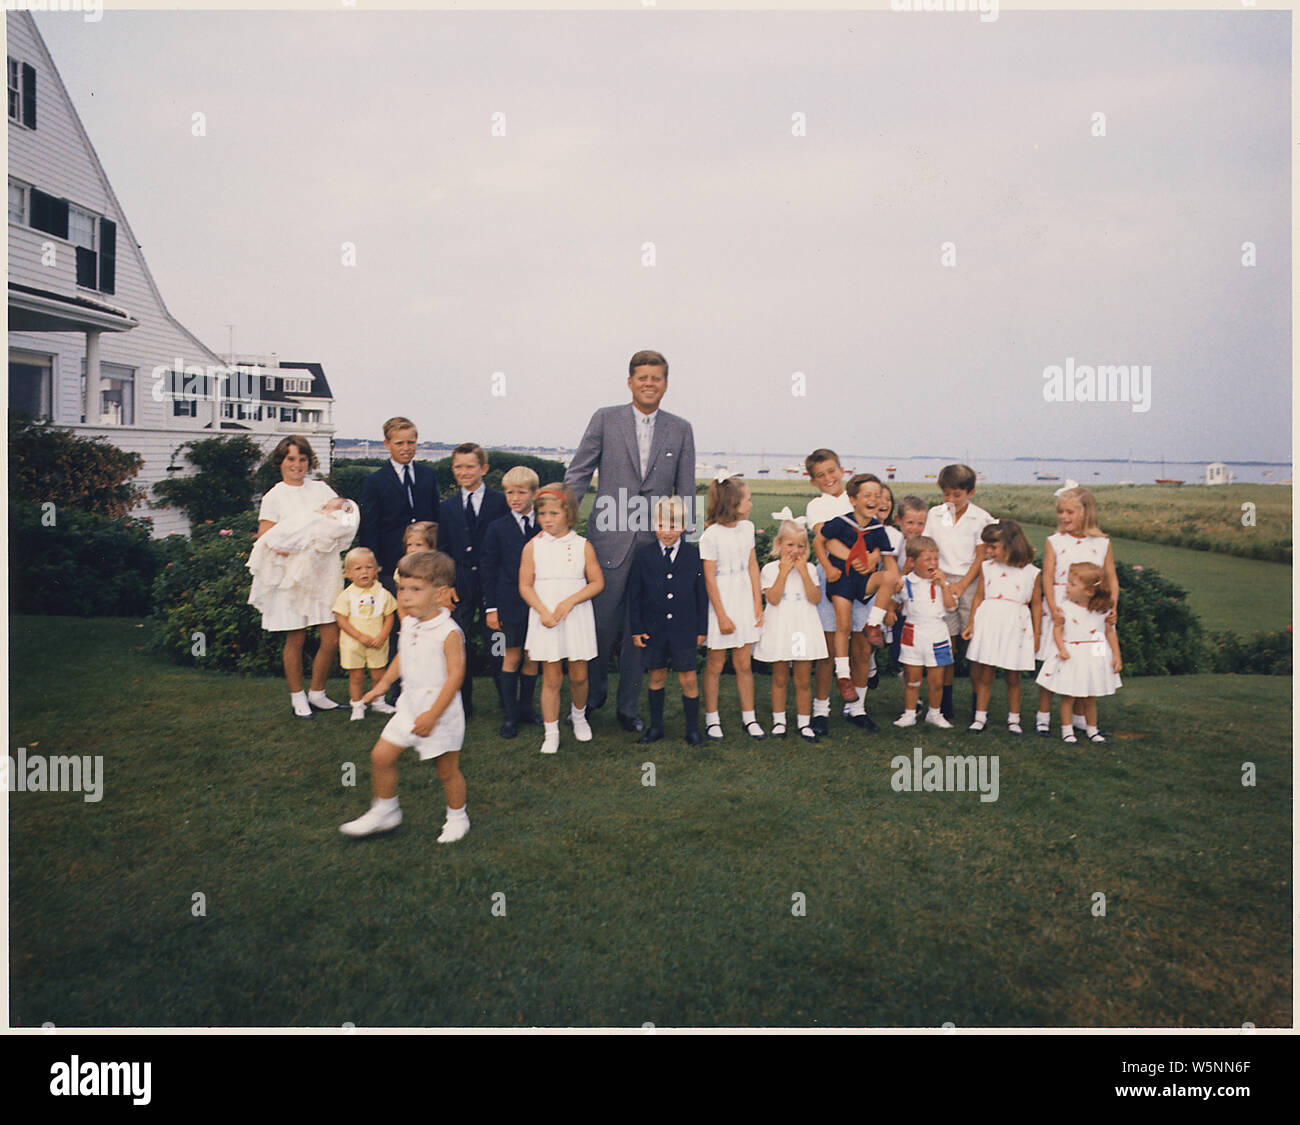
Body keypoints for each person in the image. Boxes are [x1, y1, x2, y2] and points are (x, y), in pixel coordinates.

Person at [564, 350, 696, 733]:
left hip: (654, 546)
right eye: (642, 377)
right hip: (609, 541)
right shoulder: (605, 419)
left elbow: (686, 489)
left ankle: (628, 708)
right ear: (630, 382)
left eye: (656, 378)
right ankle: (589, 699)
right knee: (601, 628)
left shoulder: (681, 428)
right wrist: (561, 521)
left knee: (641, 632)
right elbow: (579, 472)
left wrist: (685, 545)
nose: (649, 383)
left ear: (666, 384)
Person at [339, 550, 469, 841]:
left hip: (440, 712)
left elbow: (455, 677)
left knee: (447, 770)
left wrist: (433, 715)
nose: (406, 596)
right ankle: (386, 810)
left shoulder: (448, 632)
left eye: (415, 589)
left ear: (440, 594)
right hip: (408, 706)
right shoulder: (409, 621)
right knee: (381, 756)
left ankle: (457, 816)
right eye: (402, 589)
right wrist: (384, 683)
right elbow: (403, 655)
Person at [248, 436, 350, 718]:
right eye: (291, 459)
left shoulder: (320, 489)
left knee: (331, 637)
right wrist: (298, 540)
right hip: (291, 576)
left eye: (302, 459)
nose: (297, 465)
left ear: (309, 461)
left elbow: (342, 518)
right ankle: (298, 697)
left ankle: (317, 693)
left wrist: (325, 529)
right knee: (296, 638)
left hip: (323, 573)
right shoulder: (274, 496)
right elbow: (267, 537)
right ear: (280, 461)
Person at [520, 484, 604, 755]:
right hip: (546, 616)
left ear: (568, 514)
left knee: (579, 675)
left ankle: (578, 717)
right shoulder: (532, 547)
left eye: (554, 513)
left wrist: (570, 601)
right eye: (542, 513)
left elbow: (597, 582)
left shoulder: (582, 546)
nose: (547, 519)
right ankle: (551, 730)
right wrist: (543, 611)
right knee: (551, 678)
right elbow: (525, 585)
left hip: (576, 614)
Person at [1034, 485, 1119, 736]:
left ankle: (1080, 716)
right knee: (1055, 663)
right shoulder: (1055, 542)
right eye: (1060, 511)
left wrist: (1112, 606)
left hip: (1093, 609)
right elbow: (1047, 578)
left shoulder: (1102, 543)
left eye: (1070, 511)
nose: (1064, 517)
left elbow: (1111, 578)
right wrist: (1053, 608)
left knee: (1087, 663)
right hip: (1061, 607)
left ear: (1086, 512)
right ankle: (1043, 715)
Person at [819, 473, 899, 730]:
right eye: (867, 495)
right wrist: (828, 567)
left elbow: (890, 565)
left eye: (877, 495)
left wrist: (892, 580)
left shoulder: (878, 530)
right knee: (841, 627)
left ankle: (872, 624)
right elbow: (820, 542)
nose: (873, 500)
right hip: (841, 580)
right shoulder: (840, 522)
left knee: (887, 577)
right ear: (852, 499)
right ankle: (842, 677)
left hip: (863, 585)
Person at [627, 496, 707, 745]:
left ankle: (693, 730)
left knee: (689, 678)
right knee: (657, 676)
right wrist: (637, 628)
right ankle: (656, 727)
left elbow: (701, 595)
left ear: (684, 526)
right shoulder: (643, 555)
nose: (667, 532)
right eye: (661, 525)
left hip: (684, 629)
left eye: (673, 526)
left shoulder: (693, 556)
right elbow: (635, 596)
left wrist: (702, 628)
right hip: (655, 629)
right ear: (654, 525)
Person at [438, 442, 508, 719]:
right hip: (460, 582)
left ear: (483, 469)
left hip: (492, 583)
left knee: (498, 643)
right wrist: (446, 585)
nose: (464, 472)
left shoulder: (500, 502)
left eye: (470, 466)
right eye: (458, 466)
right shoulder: (446, 507)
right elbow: (442, 549)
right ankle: (462, 705)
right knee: (459, 643)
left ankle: (508, 705)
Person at [922, 464, 996, 719]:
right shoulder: (934, 514)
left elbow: (981, 557)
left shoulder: (981, 518)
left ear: (971, 492)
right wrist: (939, 579)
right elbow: (929, 546)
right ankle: (944, 702)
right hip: (940, 581)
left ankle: (979, 704)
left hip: (971, 582)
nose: (951, 500)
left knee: (974, 644)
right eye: (946, 494)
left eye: (957, 495)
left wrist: (962, 585)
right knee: (946, 643)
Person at [699, 476, 765, 740]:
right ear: (734, 503)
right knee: (715, 664)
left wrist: (757, 602)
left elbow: (752, 566)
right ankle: (711, 718)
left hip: (744, 599)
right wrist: (722, 615)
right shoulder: (711, 535)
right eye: (747, 499)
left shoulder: (747, 528)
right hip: (721, 602)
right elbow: (709, 578)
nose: (750, 503)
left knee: (743, 663)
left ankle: (749, 717)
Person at [962, 521, 1042, 734]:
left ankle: (1014, 719)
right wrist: (971, 623)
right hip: (990, 622)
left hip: (1016, 625)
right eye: (987, 546)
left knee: (1013, 676)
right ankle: (980, 717)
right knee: (986, 673)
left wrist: (1037, 634)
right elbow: (979, 595)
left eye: (993, 547)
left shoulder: (1031, 572)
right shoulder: (987, 568)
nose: (988, 551)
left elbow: (1036, 603)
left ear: (1011, 545)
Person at [482, 466, 543, 738]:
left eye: (521, 492)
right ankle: (510, 716)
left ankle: (527, 709)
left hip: (539, 604)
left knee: (532, 657)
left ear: (534, 493)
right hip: (508, 603)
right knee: (511, 656)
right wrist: (491, 607)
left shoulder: (544, 526)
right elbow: (489, 569)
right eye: (509, 492)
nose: (515, 498)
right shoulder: (497, 528)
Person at [753, 517, 827, 742]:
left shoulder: (811, 569)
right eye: (790, 545)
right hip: (781, 626)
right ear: (779, 544)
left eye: (800, 546)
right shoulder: (770, 569)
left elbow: (815, 598)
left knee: (803, 679)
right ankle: (779, 721)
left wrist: (803, 573)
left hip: (803, 626)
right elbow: (773, 599)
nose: (795, 550)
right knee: (780, 677)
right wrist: (784, 572)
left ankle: (804, 722)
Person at [1035, 561, 1122, 744]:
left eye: (1072, 584)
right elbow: (1057, 630)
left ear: (1089, 592)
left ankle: (1092, 729)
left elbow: (1108, 632)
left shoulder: (1102, 611)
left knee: (1090, 697)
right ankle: (1067, 730)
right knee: (1069, 695)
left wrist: (1116, 655)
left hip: (1093, 655)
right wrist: (1062, 649)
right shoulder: (1065, 608)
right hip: (1073, 656)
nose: (1067, 587)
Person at [803, 448, 853, 735]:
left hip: (861, 575)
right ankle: (820, 710)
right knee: (828, 647)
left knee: (857, 645)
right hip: (830, 574)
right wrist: (854, 557)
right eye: (820, 475)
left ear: (842, 470)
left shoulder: (856, 498)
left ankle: (856, 708)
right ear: (813, 481)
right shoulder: (817, 506)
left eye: (832, 471)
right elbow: (827, 540)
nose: (828, 478)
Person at [358, 417, 440, 590]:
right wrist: (373, 566)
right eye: (399, 443)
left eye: (411, 442)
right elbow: (369, 527)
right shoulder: (375, 481)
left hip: (426, 562)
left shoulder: (428, 475)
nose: (406, 448)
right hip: (390, 564)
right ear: (387, 444)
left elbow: (436, 516)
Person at [892, 536, 957, 729]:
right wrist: (888, 611)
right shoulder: (905, 582)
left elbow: (952, 607)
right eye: (927, 559)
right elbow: (894, 602)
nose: (933, 563)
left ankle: (935, 714)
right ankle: (910, 713)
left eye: (935, 559)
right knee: (912, 679)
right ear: (912, 562)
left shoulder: (942, 582)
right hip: (913, 633)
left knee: (937, 681)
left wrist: (943, 586)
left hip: (937, 633)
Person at [332, 547, 399, 721]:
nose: (364, 572)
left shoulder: (383, 593)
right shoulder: (346, 595)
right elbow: (342, 620)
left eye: (369, 567)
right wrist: (359, 636)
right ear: (348, 574)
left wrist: (383, 636)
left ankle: (378, 701)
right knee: (356, 675)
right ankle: (357, 704)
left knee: (379, 673)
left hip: (377, 641)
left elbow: (389, 616)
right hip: (354, 643)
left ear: (376, 570)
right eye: (358, 569)